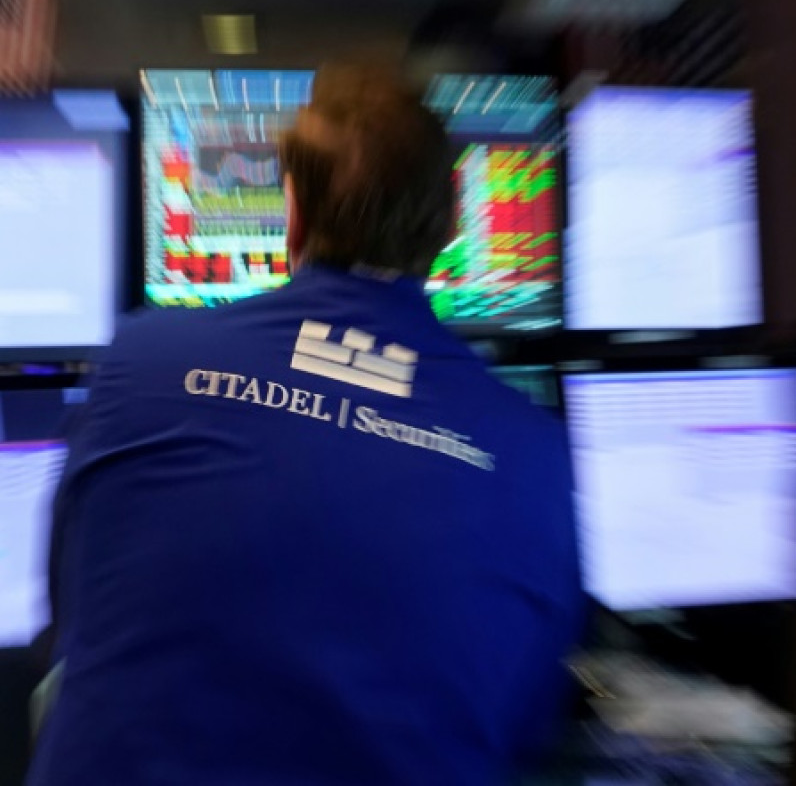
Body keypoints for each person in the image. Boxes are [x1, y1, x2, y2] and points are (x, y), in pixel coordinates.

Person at [30, 65, 585, 785]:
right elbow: (526, 713)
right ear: (451, 225)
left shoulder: (142, 358)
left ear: (291, 211)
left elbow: (71, 610)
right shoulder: (533, 452)